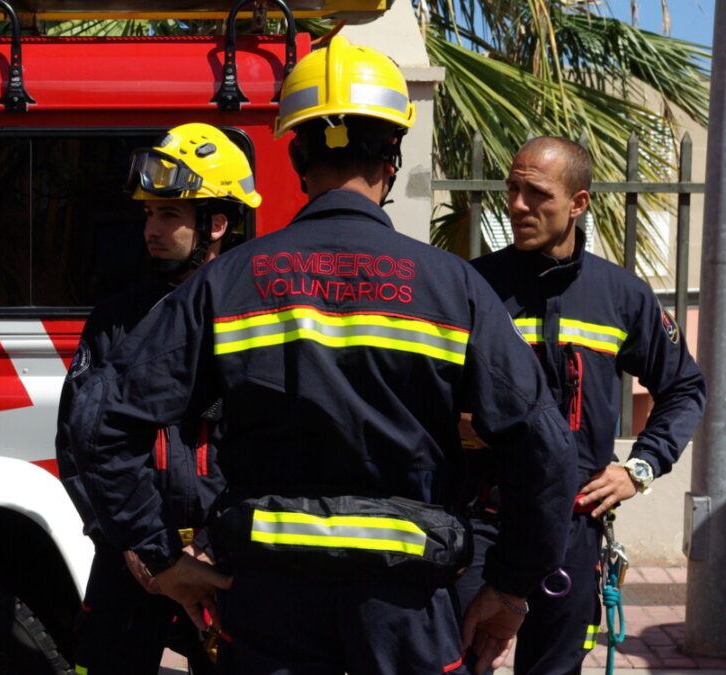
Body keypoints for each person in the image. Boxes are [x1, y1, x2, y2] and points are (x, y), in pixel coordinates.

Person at [68, 36, 577, 675]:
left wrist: (158, 554)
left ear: (297, 155)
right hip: (406, 611)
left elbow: (101, 428)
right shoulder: (455, 288)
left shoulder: (226, 284)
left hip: (265, 606)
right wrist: (510, 588)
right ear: (393, 156)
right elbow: (547, 454)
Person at [455, 136, 706, 673]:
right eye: (513, 189)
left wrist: (640, 468)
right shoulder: (471, 285)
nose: (518, 205)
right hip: (481, 522)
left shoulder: (621, 295)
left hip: (574, 529)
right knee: (462, 661)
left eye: (537, 194)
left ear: (578, 203)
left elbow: (684, 387)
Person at [56, 122, 261, 675]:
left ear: (217, 222)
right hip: (133, 560)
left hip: (227, 563)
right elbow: (78, 443)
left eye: (169, 214)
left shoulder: (258, 320)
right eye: (149, 213)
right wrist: (128, 541)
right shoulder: (116, 318)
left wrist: (217, 545)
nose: (151, 227)